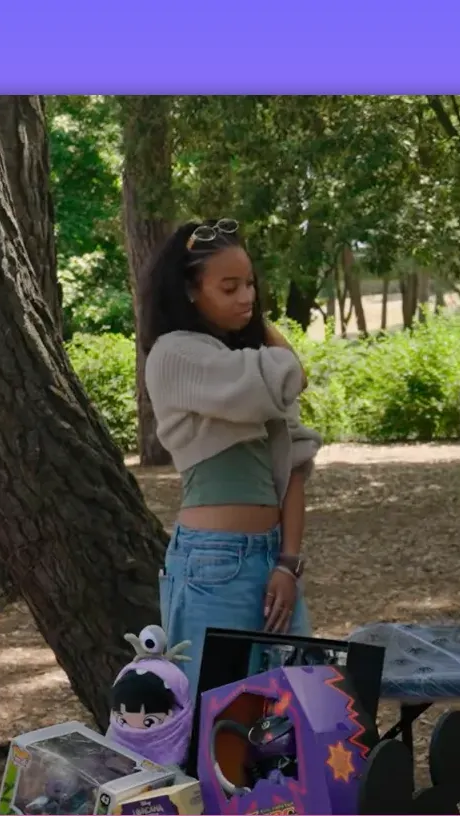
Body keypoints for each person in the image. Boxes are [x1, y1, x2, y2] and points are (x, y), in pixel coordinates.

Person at [139, 218, 322, 700]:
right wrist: (260, 324)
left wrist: (288, 562)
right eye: (229, 286)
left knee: (294, 713)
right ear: (189, 290)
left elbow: (295, 467)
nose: (246, 296)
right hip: (213, 562)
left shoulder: (241, 358)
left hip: (270, 553)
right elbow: (290, 374)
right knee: (220, 719)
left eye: (251, 284)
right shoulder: (176, 355)